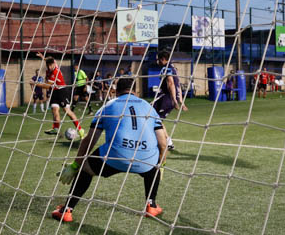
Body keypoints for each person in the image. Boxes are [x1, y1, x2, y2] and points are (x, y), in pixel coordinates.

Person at [51, 76, 167, 222]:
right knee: (155, 161)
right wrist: (160, 166)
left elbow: (89, 141)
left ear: (116, 91)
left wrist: (75, 165)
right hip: (145, 160)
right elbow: (163, 144)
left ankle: (67, 210)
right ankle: (151, 205)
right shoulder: (149, 107)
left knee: (86, 168)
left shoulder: (108, 106)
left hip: (116, 156)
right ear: (135, 91)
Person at [39, 56, 85, 138]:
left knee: (67, 111)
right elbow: (49, 61)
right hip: (54, 92)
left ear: (54, 64)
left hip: (62, 91)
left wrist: (34, 83)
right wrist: (43, 57)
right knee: (54, 109)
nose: (49, 67)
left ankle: (80, 130)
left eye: (51, 65)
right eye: (48, 65)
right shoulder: (49, 70)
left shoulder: (55, 71)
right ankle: (56, 128)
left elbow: (46, 86)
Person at [152, 49, 186, 150]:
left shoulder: (166, 68)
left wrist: (175, 101)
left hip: (166, 98)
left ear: (163, 59)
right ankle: (167, 141)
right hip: (166, 97)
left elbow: (171, 83)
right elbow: (178, 85)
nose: (157, 62)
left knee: (155, 118)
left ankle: (167, 142)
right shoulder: (173, 68)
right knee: (155, 118)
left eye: (159, 60)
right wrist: (181, 101)